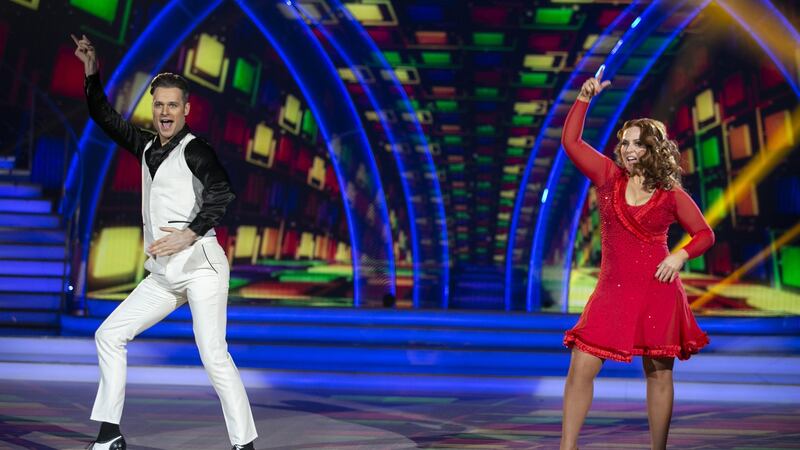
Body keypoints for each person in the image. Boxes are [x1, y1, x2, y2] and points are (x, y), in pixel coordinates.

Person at [71, 34, 257, 450]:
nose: (165, 111)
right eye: (159, 104)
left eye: (173, 105)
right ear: (152, 108)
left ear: (186, 109)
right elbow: (104, 117)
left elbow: (222, 191)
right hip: (164, 275)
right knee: (109, 335)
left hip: (202, 268)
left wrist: (190, 232)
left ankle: (244, 444)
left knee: (213, 355)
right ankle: (109, 435)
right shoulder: (144, 145)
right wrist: (91, 70)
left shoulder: (196, 151)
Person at [559, 67, 714, 450]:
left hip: (657, 291)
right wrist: (584, 97)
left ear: (652, 149)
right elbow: (571, 143)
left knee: (659, 373)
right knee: (581, 366)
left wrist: (680, 256)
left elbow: (705, 234)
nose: (627, 150)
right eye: (624, 143)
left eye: (636, 144)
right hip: (612, 291)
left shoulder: (670, 194)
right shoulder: (608, 176)